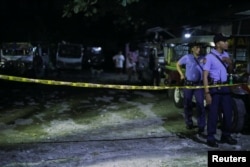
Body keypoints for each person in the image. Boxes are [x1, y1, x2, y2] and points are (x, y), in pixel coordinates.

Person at [203, 33, 237, 147]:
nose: (227, 43)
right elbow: (204, 76)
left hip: (225, 87)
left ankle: (226, 135)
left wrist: (230, 63)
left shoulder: (226, 54)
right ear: (218, 44)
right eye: (224, 41)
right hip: (214, 88)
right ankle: (211, 137)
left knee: (228, 113)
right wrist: (207, 93)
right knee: (213, 114)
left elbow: (230, 70)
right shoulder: (209, 57)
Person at [176, 42, 206, 135]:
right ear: (192, 49)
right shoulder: (187, 57)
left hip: (199, 85)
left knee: (200, 104)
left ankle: (201, 125)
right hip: (188, 84)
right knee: (187, 104)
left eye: (200, 47)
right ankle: (189, 122)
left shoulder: (203, 58)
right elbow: (178, 64)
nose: (199, 49)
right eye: (197, 47)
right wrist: (181, 74)